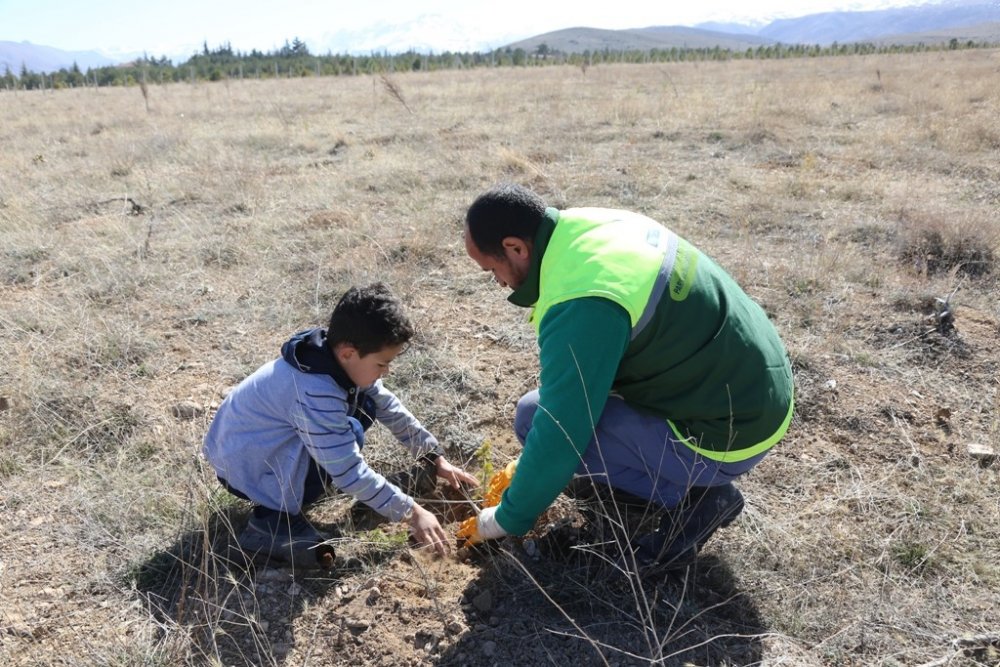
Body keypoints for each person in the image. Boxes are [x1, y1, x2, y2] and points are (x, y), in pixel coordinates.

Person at [459, 183, 794, 568]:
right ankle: (649, 480)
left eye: (492, 269)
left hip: (731, 431)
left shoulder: (582, 302)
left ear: (516, 247)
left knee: (537, 423)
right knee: (536, 417)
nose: (499, 283)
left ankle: (699, 498)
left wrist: (503, 519)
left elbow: (561, 433)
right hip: (755, 386)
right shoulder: (588, 227)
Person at [203, 282, 478, 566]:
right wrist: (413, 512)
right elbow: (348, 471)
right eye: (381, 364)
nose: (386, 371)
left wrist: (433, 456)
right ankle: (270, 524)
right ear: (348, 353)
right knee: (351, 434)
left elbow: (387, 405)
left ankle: (304, 484)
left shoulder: (329, 358)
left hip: (253, 450)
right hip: (247, 470)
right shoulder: (314, 391)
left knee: (365, 406)